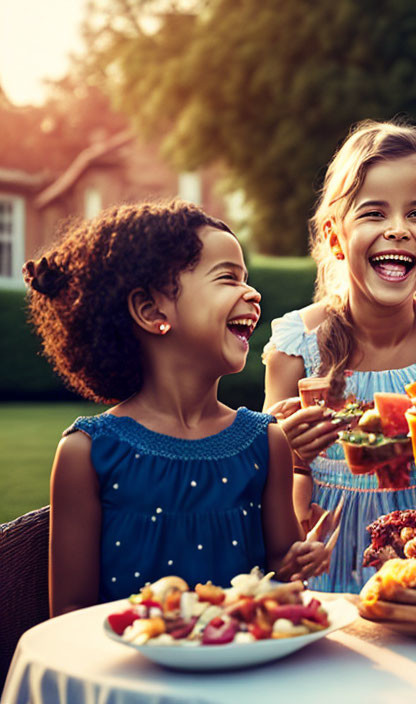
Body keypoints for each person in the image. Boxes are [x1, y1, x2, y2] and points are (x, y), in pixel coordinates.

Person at [24, 201, 334, 616]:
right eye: (227, 278)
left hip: (244, 672)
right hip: (134, 677)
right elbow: (70, 614)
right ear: (152, 311)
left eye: (247, 279)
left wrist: (297, 564)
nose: (253, 293)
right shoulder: (87, 453)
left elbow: (278, 575)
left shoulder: (267, 441)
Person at [263, 120, 416, 592]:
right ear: (335, 236)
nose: (397, 230)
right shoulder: (296, 349)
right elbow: (271, 485)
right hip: (335, 565)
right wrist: (285, 454)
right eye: (374, 213)